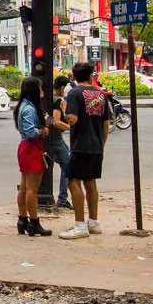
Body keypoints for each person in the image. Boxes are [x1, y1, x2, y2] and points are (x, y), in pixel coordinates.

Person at [59, 62, 111, 239]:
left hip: (80, 144)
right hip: (97, 145)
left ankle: (80, 224)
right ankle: (93, 222)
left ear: (74, 76)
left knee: (73, 181)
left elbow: (72, 119)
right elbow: (106, 124)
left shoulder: (74, 93)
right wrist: (100, 144)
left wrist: (63, 113)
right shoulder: (101, 94)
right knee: (91, 182)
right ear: (91, 76)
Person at [14, 77, 52, 236]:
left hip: (25, 148)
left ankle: (22, 219)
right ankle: (34, 222)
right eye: (40, 88)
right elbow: (30, 132)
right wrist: (43, 131)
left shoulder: (23, 106)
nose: (42, 91)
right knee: (32, 189)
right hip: (31, 148)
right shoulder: (30, 109)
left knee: (24, 186)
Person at [43, 71, 74, 210]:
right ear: (62, 87)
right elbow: (54, 121)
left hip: (50, 138)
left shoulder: (48, 98)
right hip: (55, 139)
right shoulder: (58, 100)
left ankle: (62, 197)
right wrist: (70, 128)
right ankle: (63, 198)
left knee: (65, 162)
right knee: (67, 166)